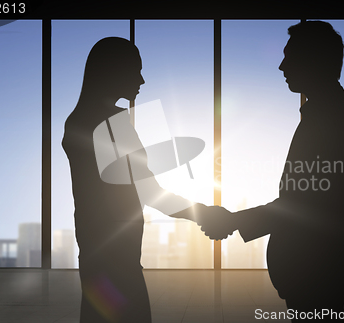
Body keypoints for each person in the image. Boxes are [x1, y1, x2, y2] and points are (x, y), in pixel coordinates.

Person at [206, 21, 344, 322]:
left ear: (313, 61)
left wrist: (234, 220)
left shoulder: (331, 120)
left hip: (317, 271)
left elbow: (304, 205)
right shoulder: (329, 115)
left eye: (289, 57)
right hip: (317, 271)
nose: (282, 66)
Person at [63, 37, 230, 323]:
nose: (141, 79)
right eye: (135, 70)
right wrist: (205, 213)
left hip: (96, 250)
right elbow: (149, 192)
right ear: (113, 71)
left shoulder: (79, 119)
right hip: (117, 258)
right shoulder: (111, 124)